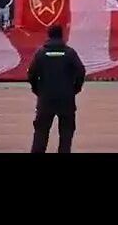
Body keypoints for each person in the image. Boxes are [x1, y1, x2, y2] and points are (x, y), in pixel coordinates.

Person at [27, 24, 86, 153]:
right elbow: (81, 72)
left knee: (41, 132)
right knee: (66, 133)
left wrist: (38, 90)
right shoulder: (70, 53)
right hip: (66, 98)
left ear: (49, 35)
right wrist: (75, 89)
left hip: (46, 98)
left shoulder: (41, 53)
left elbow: (31, 74)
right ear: (62, 35)